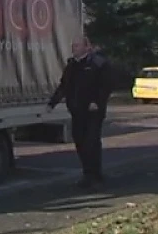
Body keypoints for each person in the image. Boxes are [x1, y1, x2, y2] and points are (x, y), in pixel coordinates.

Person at [46, 36, 113, 189]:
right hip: (77, 111)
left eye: (77, 46)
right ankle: (87, 173)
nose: (73, 48)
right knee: (80, 141)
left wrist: (97, 101)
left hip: (93, 111)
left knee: (91, 142)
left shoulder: (97, 63)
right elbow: (64, 86)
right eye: (73, 46)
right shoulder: (71, 65)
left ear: (87, 47)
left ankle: (95, 175)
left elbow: (106, 85)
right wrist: (52, 103)